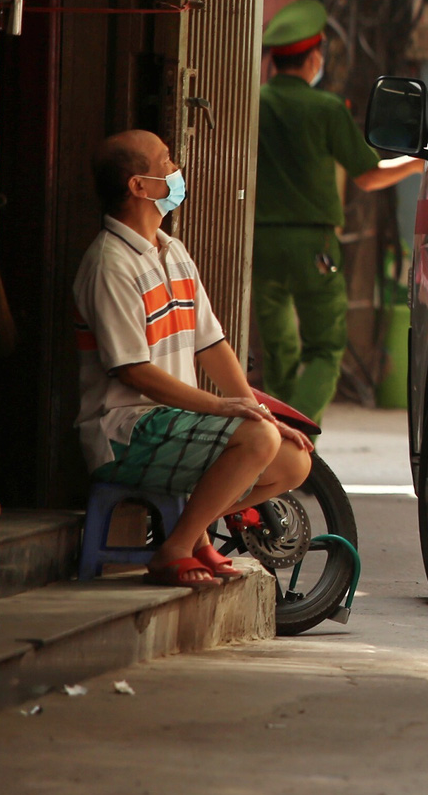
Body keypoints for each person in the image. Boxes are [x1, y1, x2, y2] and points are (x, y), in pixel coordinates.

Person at [75, 130, 314, 589]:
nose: (176, 169)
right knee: (257, 439)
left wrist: (256, 408)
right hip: (124, 431)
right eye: (166, 161)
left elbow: (212, 344)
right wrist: (225, 408)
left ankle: (193, 531)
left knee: (292, 460)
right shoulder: (110, 263)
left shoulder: (173, 251)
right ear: (139, 186)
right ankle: (176, 549)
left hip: (172, 423)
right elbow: (132, 370)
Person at [255, 0, 424, 421]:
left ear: (274, 60)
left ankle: (270, 434)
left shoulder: (253, 102)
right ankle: (295, 435)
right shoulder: (326, 108)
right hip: (313, 244)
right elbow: (368, 175)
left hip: (260, 243)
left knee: (278, 349)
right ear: (314, 57)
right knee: (326, 349)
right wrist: (420, 161)